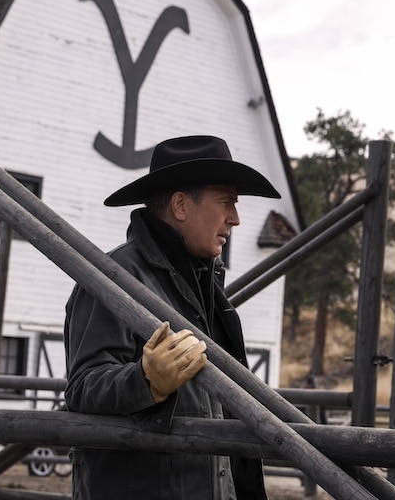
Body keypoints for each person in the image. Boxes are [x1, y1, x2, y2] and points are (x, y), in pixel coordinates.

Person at [64, 135, 281, 500]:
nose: (236, 219)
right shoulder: (114, 278)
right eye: (226, 202)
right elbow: (83, 387)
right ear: (181, 205)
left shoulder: (203, 280)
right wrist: (147, 381)